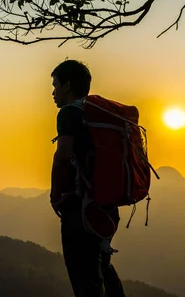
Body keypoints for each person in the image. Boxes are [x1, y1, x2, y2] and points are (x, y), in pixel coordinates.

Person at [50, 59, 126, 297]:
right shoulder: (94, 115)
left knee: (85, 278)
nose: (53, 92)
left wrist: (55, 195)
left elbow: (63, 154)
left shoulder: (69, 113)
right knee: (102, 266)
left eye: (56, 85)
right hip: (106, 207)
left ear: (68, 85)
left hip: (79, 210)